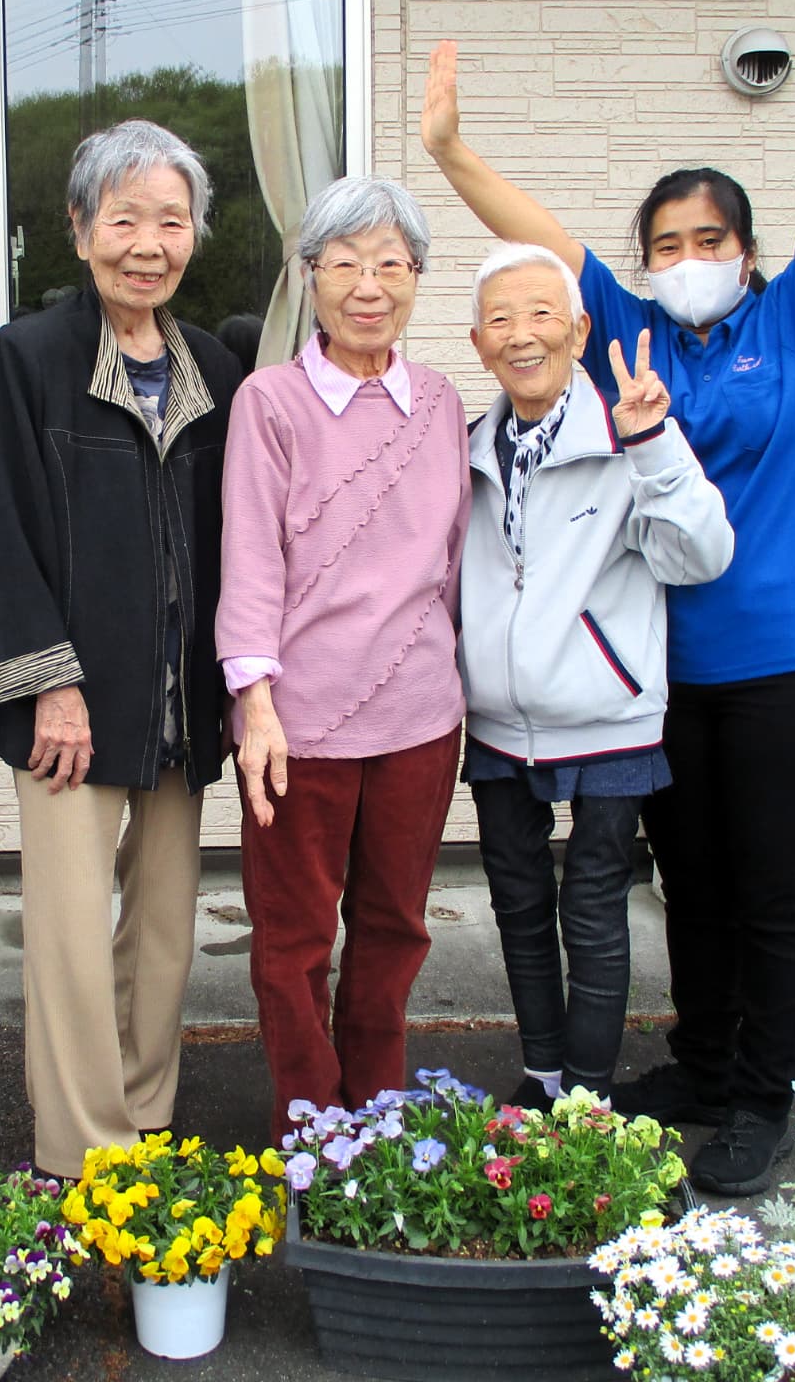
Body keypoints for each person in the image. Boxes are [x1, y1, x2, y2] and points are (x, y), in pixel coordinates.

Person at [421, 0, 795, 1194]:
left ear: (746, 254)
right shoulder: (629, 339)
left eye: (710, 242)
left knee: (771, 891)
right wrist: (450, 153)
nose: (688, 261)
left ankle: (765, 1099)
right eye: (665, 245)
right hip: (666, 673)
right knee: (690, 888)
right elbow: (540, 247)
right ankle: (703, 1065)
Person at [0, 119, 241, 1180]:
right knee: (73, 936)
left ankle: (146, 1112)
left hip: (181, 697)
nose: (148, 244)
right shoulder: (30, 355)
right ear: (81, 229)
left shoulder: (213, 364)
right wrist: (49, 682)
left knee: (165, 924)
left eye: (171, 221)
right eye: (125, 219)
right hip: (70, 704)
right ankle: (81, 1153)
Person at [216, 175, 473, 1135]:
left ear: (416, 278)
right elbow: (249, 558)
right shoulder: (270, 401)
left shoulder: (439, 401)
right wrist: (254, 703)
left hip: (420, 716)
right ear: (309, 278)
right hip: (299, 724)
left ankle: (379, 1114)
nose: (369, 286)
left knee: (395, 926)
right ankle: (310, 1128)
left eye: (391, 264)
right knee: (291, 940)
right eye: (345, 264)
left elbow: (452, 561)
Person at [458, 242, 732, 1112]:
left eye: (542, 314)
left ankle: (586, 1099)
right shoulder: (466, 449)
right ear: (477, 343)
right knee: (517, 905)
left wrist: (653, 443)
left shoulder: (628, 438)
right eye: (500, 319)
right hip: (496, 722)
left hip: (608, 715)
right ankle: (542, 1078)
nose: (521, 335)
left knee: (593, 910)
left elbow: (700, 556)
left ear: (578, 331)